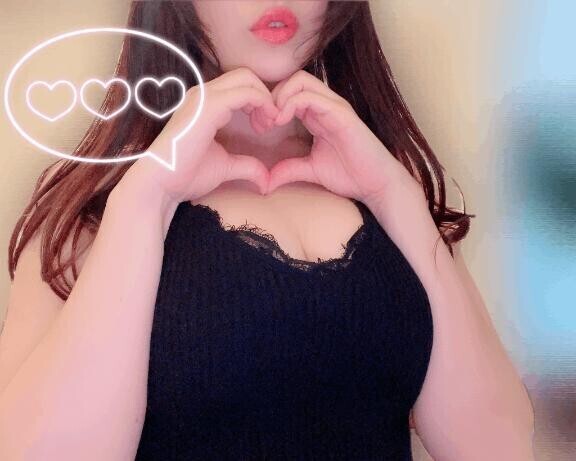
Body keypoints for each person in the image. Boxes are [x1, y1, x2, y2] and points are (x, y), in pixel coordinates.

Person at [0, 1, 535, 460]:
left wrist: (393, 195)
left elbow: (498, 447)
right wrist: (147, 197)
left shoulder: (391, 184)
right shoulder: (89, 203)